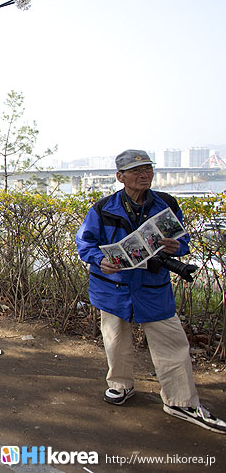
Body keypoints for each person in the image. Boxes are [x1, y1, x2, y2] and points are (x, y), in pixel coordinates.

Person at [76, 149, 225, 434]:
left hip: (152, 287)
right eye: (136, 171)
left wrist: (177, 247)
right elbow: (85, 243)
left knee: (171, 343)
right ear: (120, 177)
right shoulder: (102, 208)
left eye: (148, 169)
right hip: (114, 287)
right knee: (115, 339)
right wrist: (99, 259)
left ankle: (180, 402)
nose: (144, 175)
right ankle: (120, 385)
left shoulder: (166, 204)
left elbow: (183, 241)